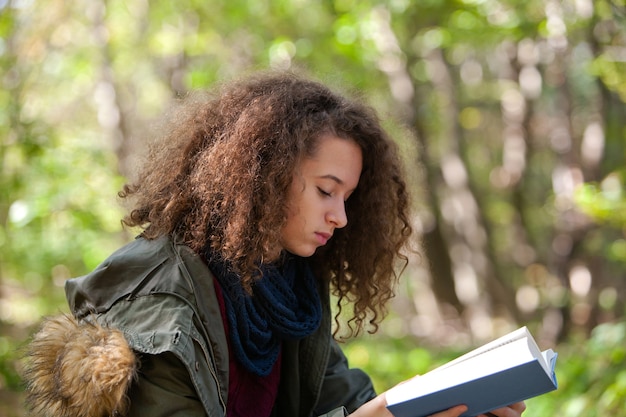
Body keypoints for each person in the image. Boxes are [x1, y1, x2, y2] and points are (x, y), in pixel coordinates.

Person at [22, 71, 526, 417]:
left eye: (348, 197)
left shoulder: (286, 288)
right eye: (326, 190)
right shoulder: (160, 302)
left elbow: (348, 398)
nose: (341, 216)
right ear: (263, 176)